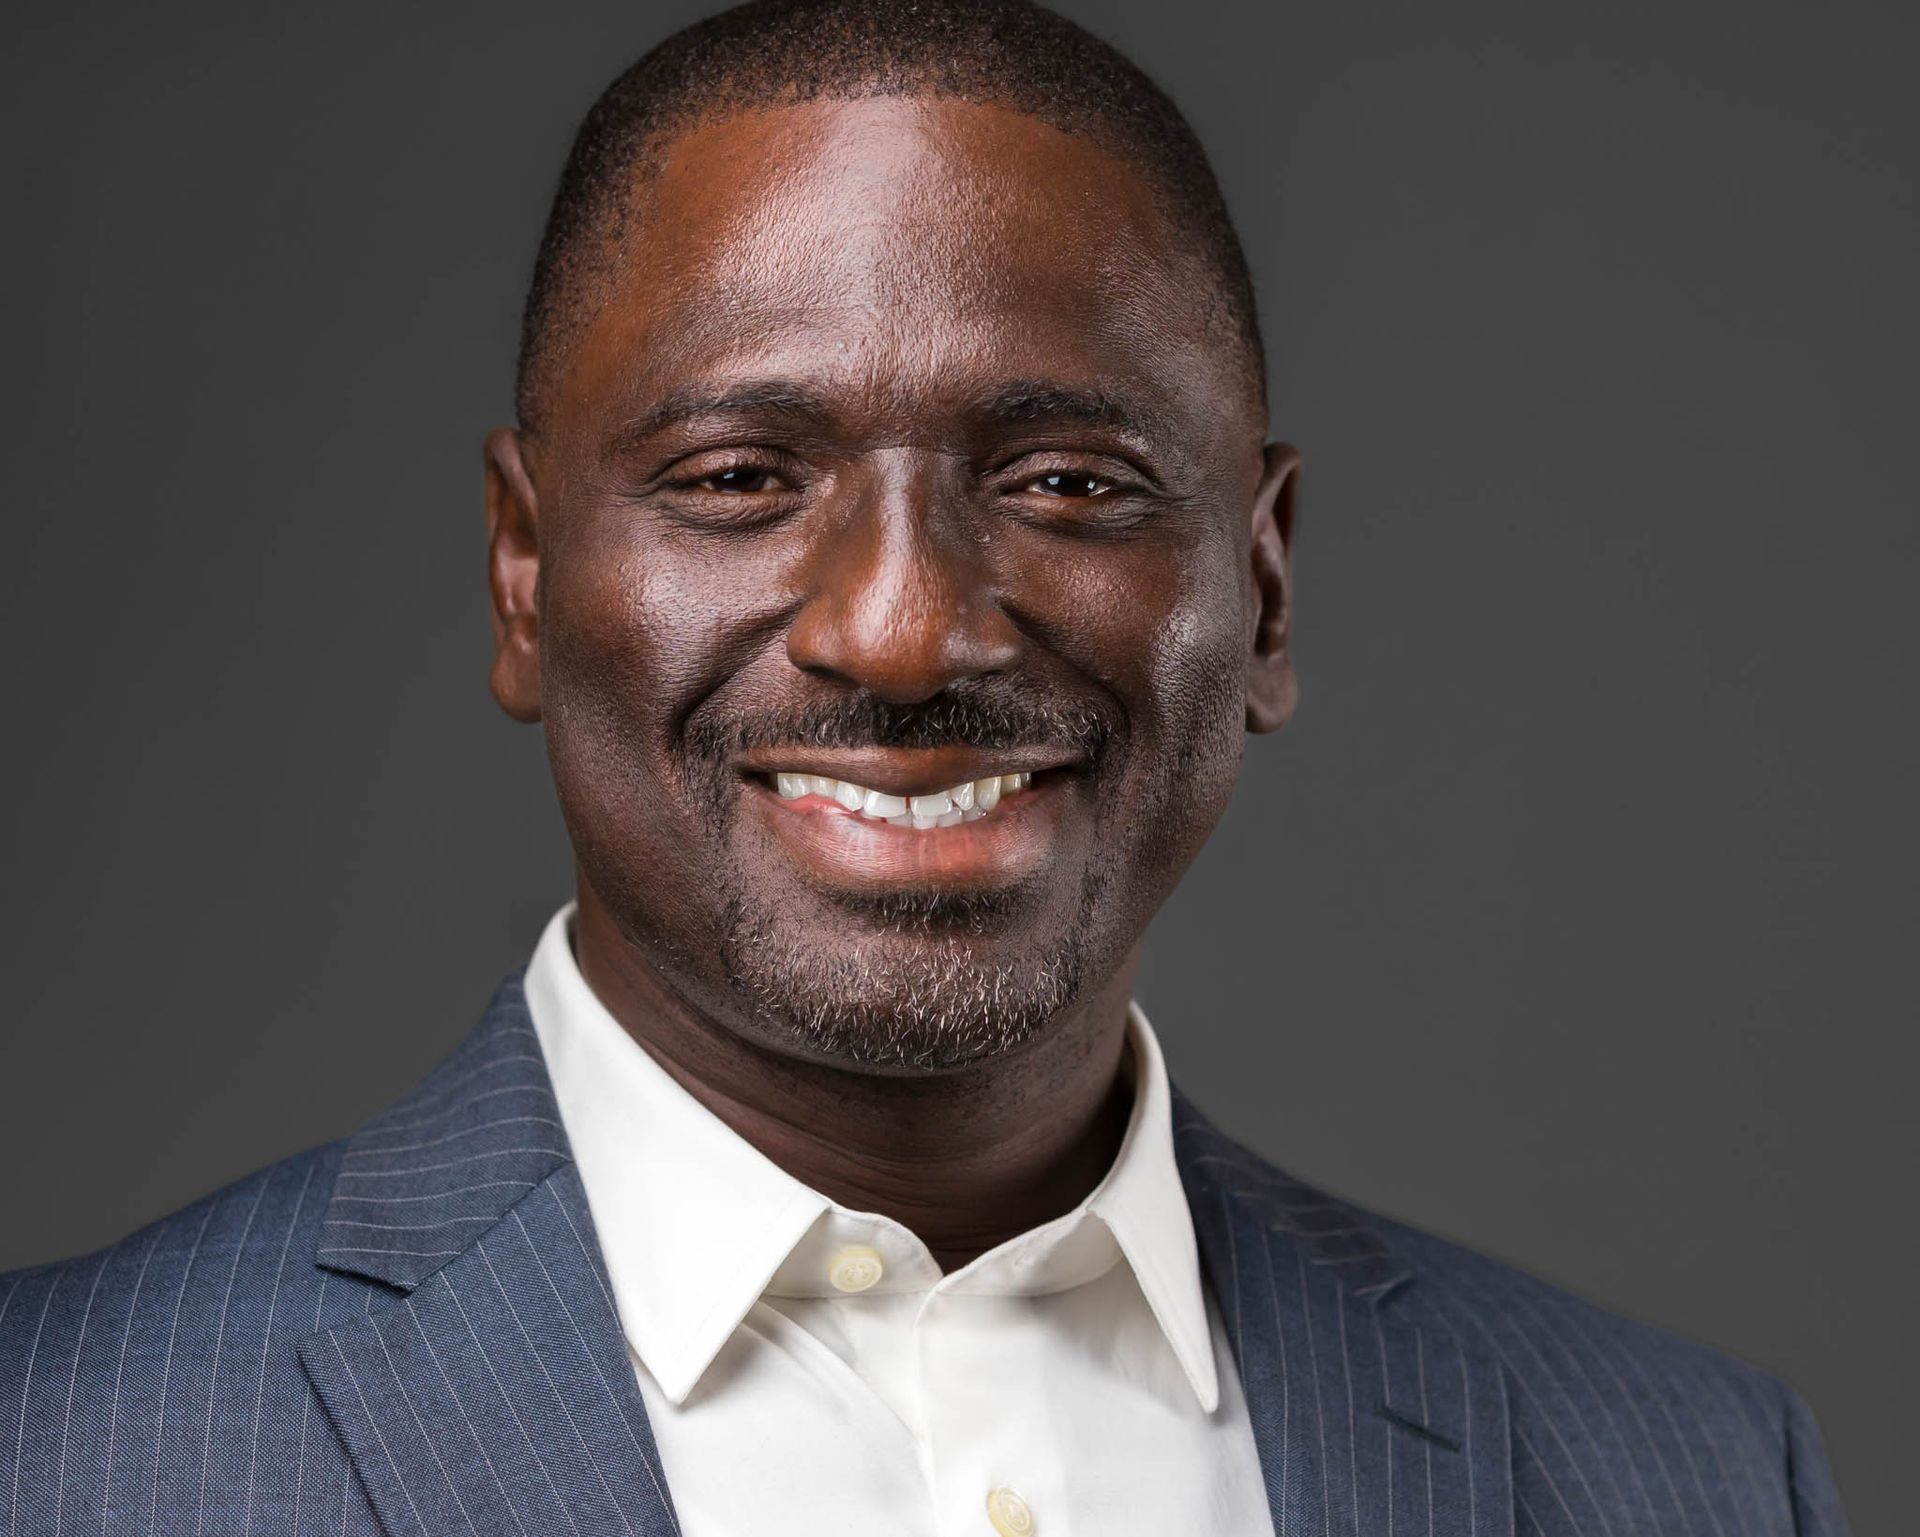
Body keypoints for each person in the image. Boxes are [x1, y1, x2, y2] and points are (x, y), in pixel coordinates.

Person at [0, 1, 1850, 1532]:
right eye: (740, 476)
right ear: (524, 568)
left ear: (1263, 588)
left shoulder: (1687, 1477)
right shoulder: (52, 1448)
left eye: (1065, 482)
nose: (899, 631)